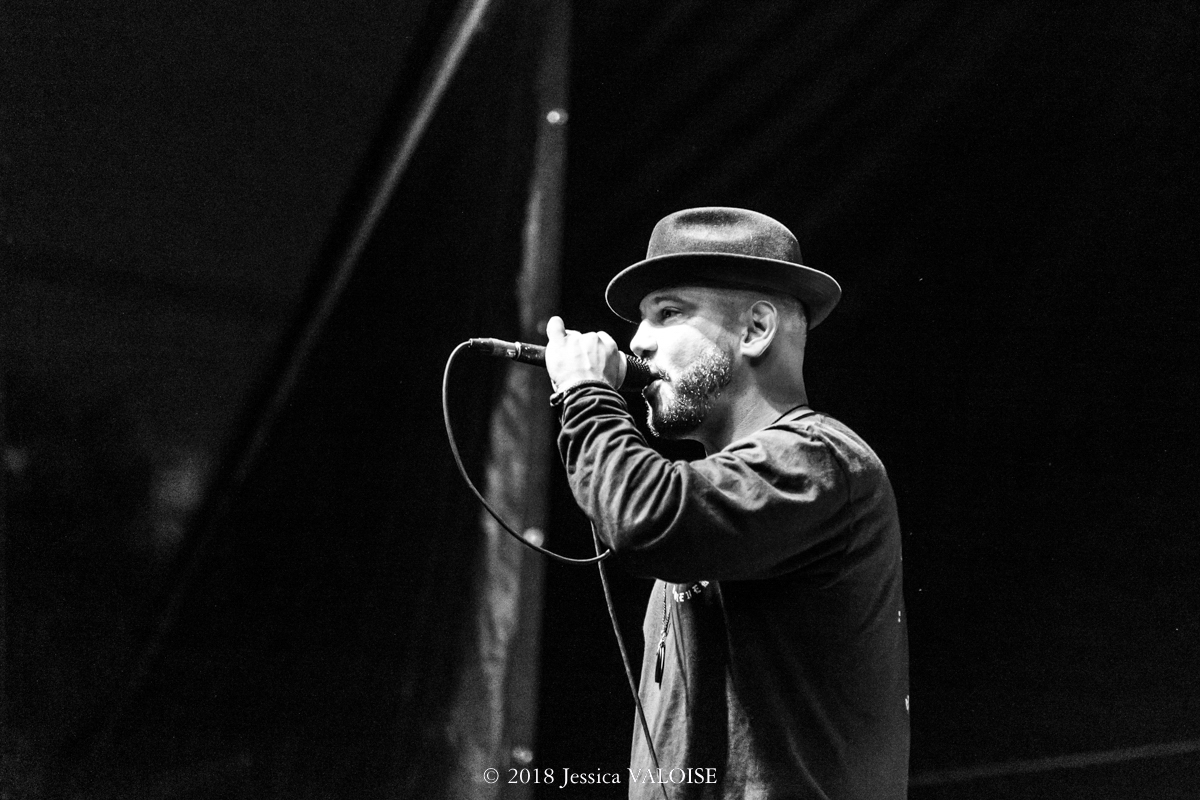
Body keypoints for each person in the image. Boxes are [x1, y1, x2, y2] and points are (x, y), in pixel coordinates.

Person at [544, 207, 909, 799]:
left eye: (668, 313)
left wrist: (586, 393)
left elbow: (644, 516)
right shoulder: (713, 500)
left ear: (755, 329)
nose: (637, 341)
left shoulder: (821, 460)